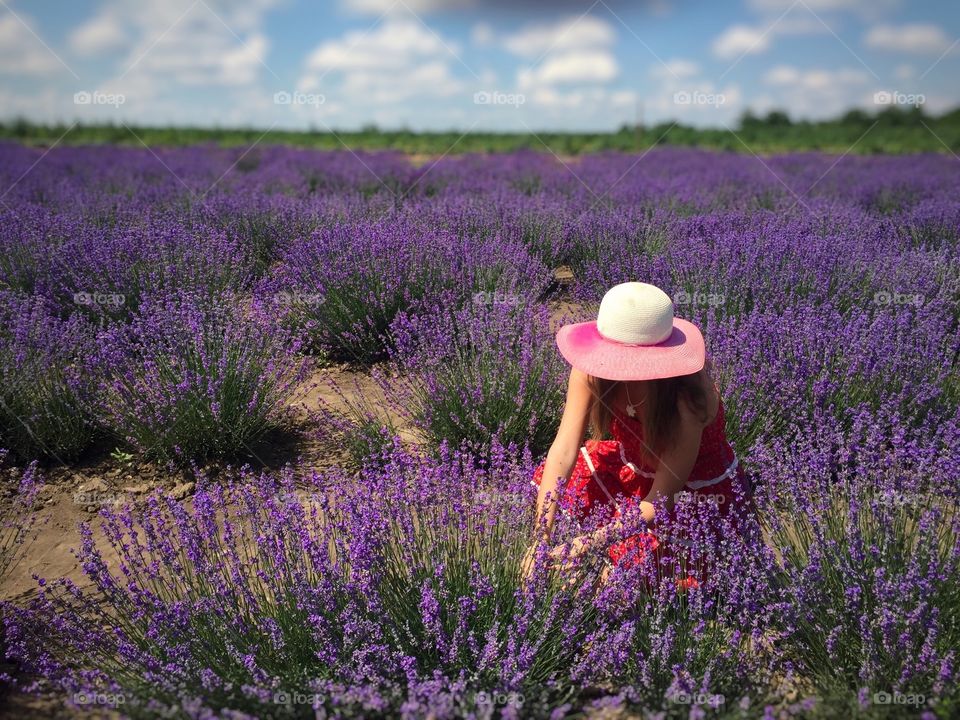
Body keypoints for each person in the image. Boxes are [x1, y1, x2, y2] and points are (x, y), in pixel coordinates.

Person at [522, 282, 755, 588]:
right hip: (634, 467)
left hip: (688, 493)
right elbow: (564, 449)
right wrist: (542, 537)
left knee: (637, 571)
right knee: (553, 481)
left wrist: (587, 543)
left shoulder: (686, 402)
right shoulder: (592, 369)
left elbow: (660, 501)